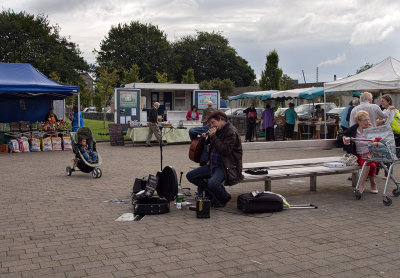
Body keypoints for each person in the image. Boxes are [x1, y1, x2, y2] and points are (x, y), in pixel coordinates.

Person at [186, 111, 243, 207]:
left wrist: (213, 136)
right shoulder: (218, 129)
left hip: (226, 166)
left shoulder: (231, 132)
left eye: (213, 122)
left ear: (220, 119)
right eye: (210, 124)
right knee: (191, 176)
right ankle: (214, 195)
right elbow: (211, 144)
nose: (211, 126)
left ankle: (224, 197)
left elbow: (225, 150)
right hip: (213, 164)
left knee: (212, 183)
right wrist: (205, 138)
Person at [342, 110, 378, 194]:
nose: (367, 122)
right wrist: (344, 137)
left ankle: (361, 185)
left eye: (368, 119)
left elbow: (378, 142)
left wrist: (372, 131)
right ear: (359, 121)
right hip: (359, 155)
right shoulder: (354, 129)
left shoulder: (370, 129)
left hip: (372, 154)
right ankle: (373, 183)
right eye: (365, 120)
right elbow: (342, 134)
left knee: (369, 161)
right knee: (370, 164)